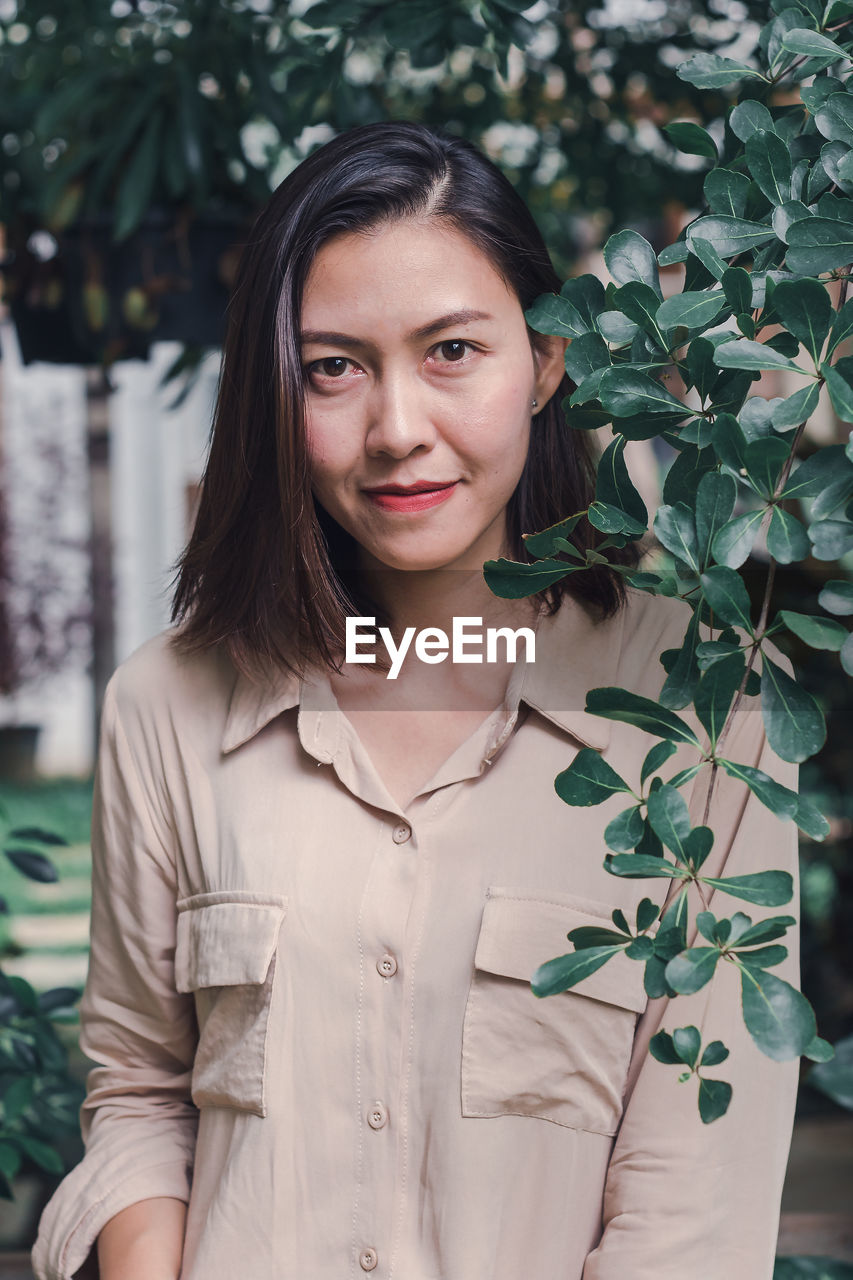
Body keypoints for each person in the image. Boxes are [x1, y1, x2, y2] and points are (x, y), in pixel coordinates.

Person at [32, 121, 800, 1280]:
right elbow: (139, 1087)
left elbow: (695, 1204)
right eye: (333, 366)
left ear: (545, 361)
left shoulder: (703, 702)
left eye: (451, 350)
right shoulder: (167, 703)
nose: (395, 428)